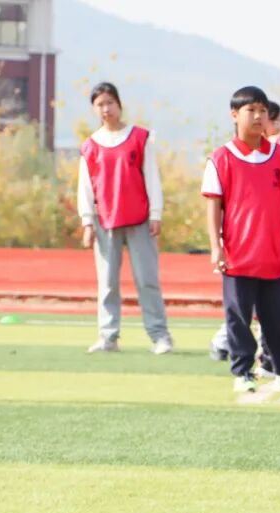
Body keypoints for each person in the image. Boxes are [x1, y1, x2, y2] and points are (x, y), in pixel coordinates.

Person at [202, 86, 280, 393]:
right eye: (251, 111)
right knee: (238, 319)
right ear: (235, 115)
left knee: (279, 318)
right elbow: (213, 206)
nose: (258, 117)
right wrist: (217, 248)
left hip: (275, 257)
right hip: (237, 257)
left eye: (262, 111)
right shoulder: (220, 159)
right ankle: (243, 372)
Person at [78, 82, 173, 355]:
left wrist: (156, 213)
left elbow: (151, 177)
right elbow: (85, 185)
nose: (106, 109)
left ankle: (159, 335)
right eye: (100, 105)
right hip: (105, 219)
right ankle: (108, 336)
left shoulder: (140, 138)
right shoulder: (90, 146)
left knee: (147, 280)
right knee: (107, 282)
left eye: (109, 102)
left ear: (119, 104)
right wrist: (87, 221)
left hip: (140, 218)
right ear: (94, 109)